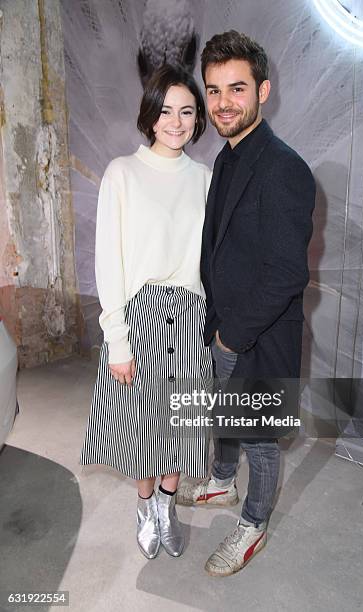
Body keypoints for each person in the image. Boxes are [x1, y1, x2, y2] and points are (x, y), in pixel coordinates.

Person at [176, 31, 316, 576]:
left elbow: (287, 272)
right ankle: (217, 484)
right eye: (213, 91)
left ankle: (253, 524)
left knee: (258, 437)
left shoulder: (283, 168)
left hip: (256, 332)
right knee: (222, 416)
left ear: (263, 89)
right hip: (225, 324)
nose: (223, 103)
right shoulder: (228, 156)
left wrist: (231, 338)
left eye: (236, 88)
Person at [80, 64, 213, 560]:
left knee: (181, 426)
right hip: (141, 318)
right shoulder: (123, 173)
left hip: (191, 315)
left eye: (186, 111)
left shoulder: (203, 177)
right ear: (150, 116)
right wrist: (117, 339)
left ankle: (166, 506)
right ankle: (143, 506)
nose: (175, 122)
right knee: (143, 427)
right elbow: (107, 261)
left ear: (197, 118)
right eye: (165, 111)